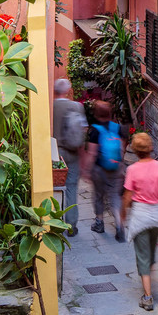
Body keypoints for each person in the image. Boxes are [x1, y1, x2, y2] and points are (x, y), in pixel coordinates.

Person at [120, 132, 158, 311]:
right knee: (150, 251)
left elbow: (128, 196)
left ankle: (147, 297)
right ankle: (149, 277)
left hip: (140, 216)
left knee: (142, 256)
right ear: (150, 148)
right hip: (157, 216)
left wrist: (122, 212)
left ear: (135, 151)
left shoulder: (132, 170)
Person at [86, 100, 128, 238]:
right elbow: (122, 148)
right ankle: (119, 225)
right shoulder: (117, 128)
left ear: (96, 113)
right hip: (116, 167)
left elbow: (92, 153)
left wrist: (87, 170)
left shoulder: (95, 131)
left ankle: (99, 223)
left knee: (99, 195)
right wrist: (120, 164)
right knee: (115, 196)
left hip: (99, 169)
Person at [51, 79, 87, 235]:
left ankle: (55, 223)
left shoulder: (50, 106)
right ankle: (71, 225)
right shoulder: (77, 107)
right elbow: (83, 130)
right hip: (72, 152)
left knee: (55, 187)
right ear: (68, 90)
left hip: (54, 151)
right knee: (71, 187)